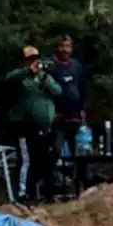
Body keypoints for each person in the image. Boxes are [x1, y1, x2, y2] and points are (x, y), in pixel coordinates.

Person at [4, 46, 63, 205]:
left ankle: (37, 192)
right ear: (24, 61)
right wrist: (28, 71)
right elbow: (9, 79)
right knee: (26, 159)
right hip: (23, 125)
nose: (34, 62)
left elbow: (58, 91)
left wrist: (43, 78)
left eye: (36, 58)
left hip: (42, 128)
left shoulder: (44, 76)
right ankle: (21, 194)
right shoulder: (19, 77)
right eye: (30, 59)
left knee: (41, 160)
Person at [46, 35, 88, 179]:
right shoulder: (50, 66)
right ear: (57, 47)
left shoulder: (77, 66)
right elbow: (46, 91)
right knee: (55, 150)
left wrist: (82, 108)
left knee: (80, 151)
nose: (65, 50)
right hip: (58, 119)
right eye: (62, 46)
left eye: (68, 46)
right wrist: (51, 111)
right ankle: (50, 183)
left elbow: (82, 88)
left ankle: (82, 183)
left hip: (76, 116)